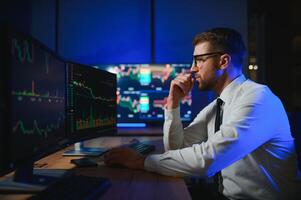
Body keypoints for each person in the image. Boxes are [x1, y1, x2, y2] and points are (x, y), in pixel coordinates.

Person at [104, 27, 299, 199]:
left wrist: (141, 162)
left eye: (199, 61)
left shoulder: (258, 98)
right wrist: (173, 103)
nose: (192, 69)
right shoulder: (217, 106)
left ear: (223, 61)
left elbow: (209, 160)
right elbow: (176, 150)